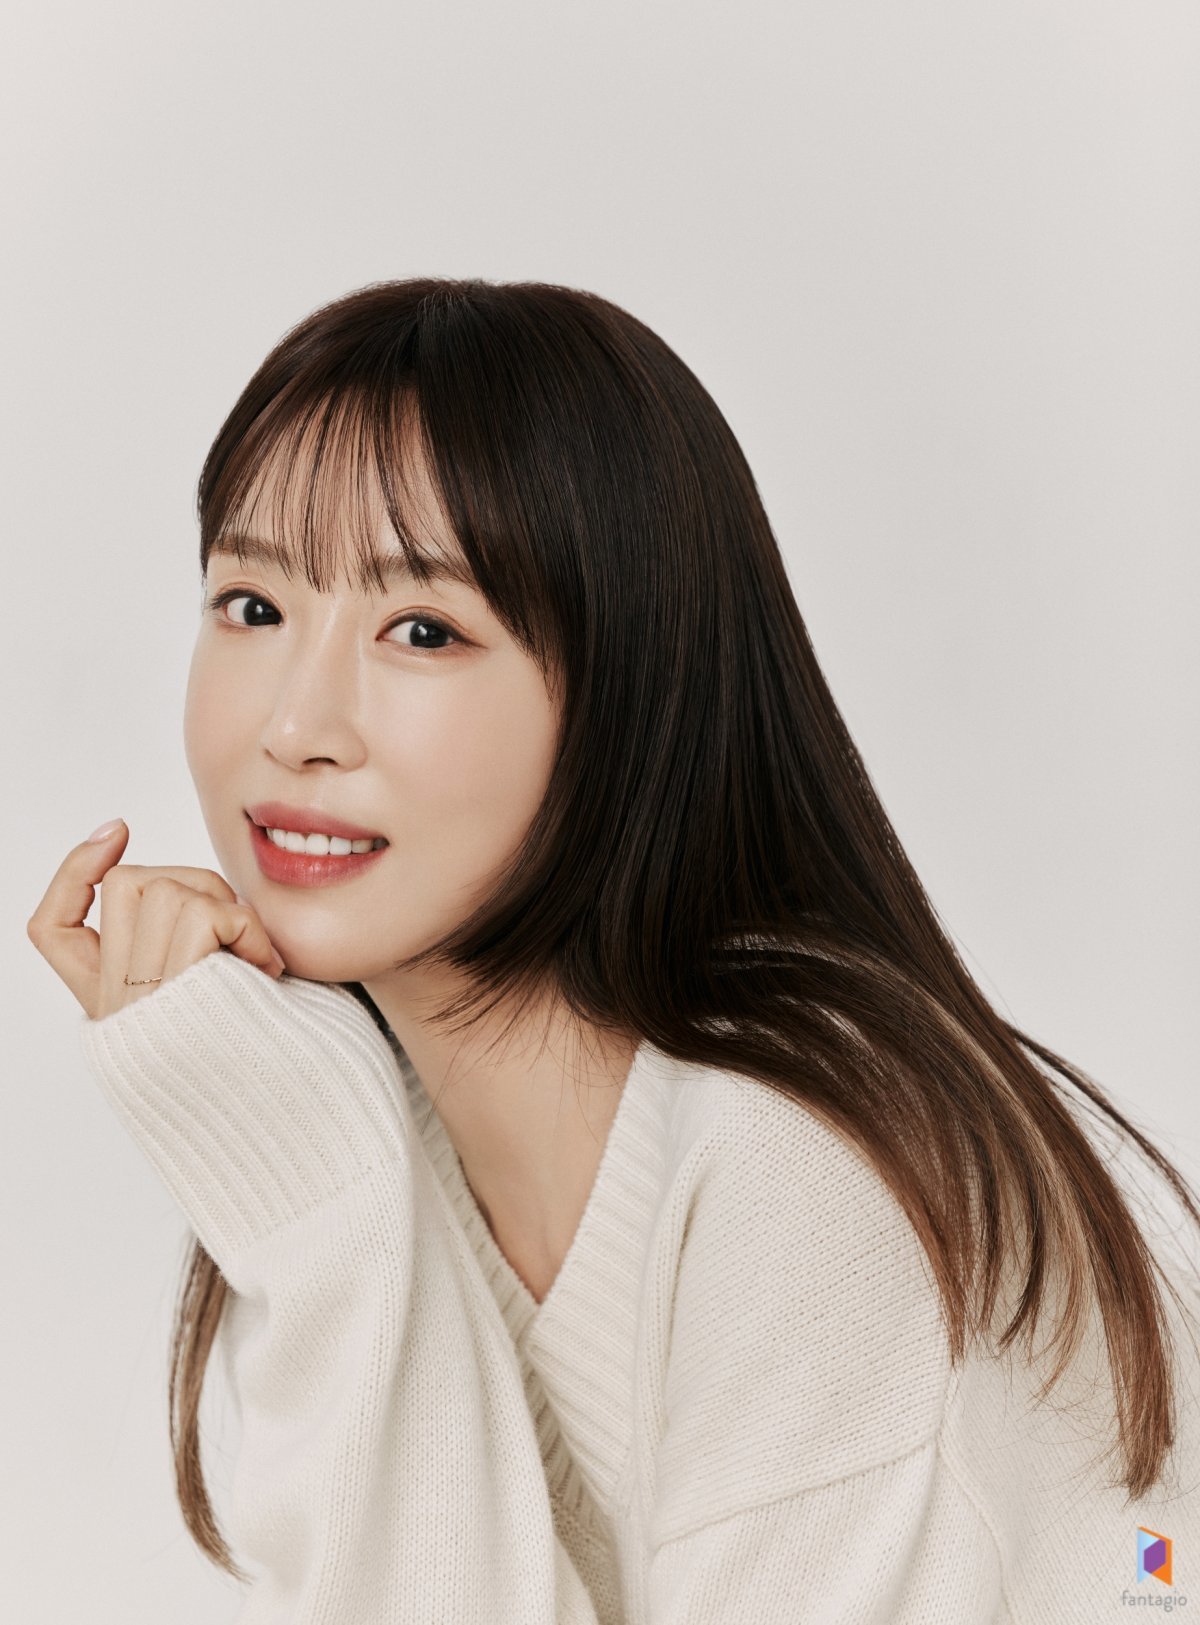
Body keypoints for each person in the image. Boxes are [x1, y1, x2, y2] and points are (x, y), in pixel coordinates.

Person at [28, 277, 1200, 1622]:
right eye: (251, 606)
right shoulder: (352, 1090)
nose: (295, 725)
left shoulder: (800, 1173)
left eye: (424, 630)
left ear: (626, 687)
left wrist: (318, 1207)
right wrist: (302, 1176)